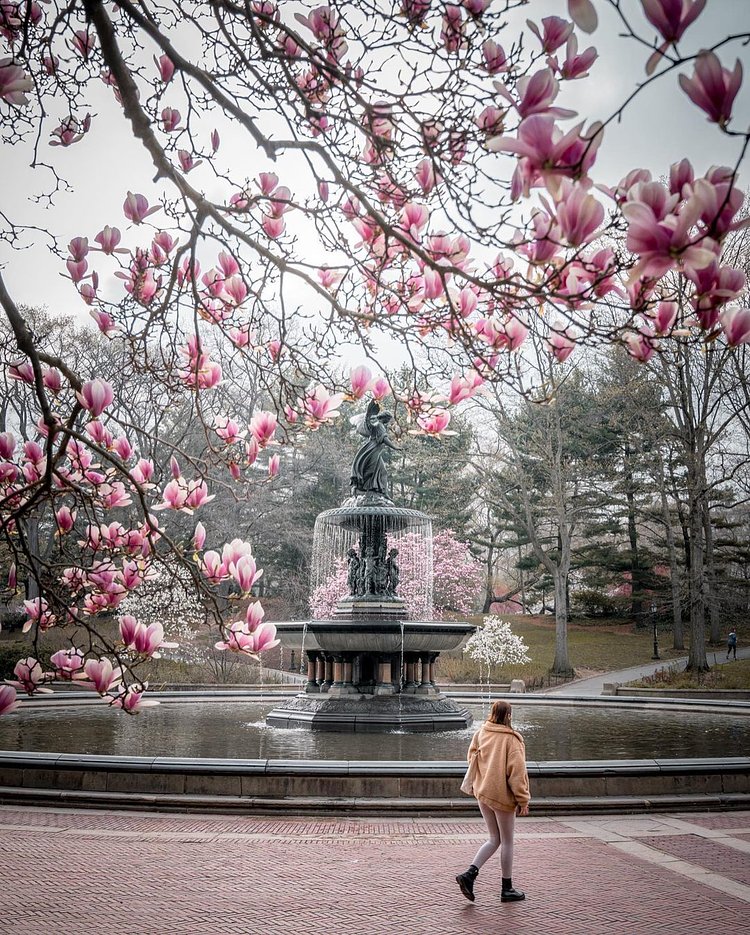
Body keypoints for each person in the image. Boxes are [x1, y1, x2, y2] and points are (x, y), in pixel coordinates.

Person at [456, 699, 530, 904]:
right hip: (502, 797)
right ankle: (507, 888)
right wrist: (523, 799)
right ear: (508, 716)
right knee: (507, 841)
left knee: (493, 839)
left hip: (483, 793)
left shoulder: (481, 733)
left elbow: (472, 758)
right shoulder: (512, 740)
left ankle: (469, 875)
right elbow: (517, 774)